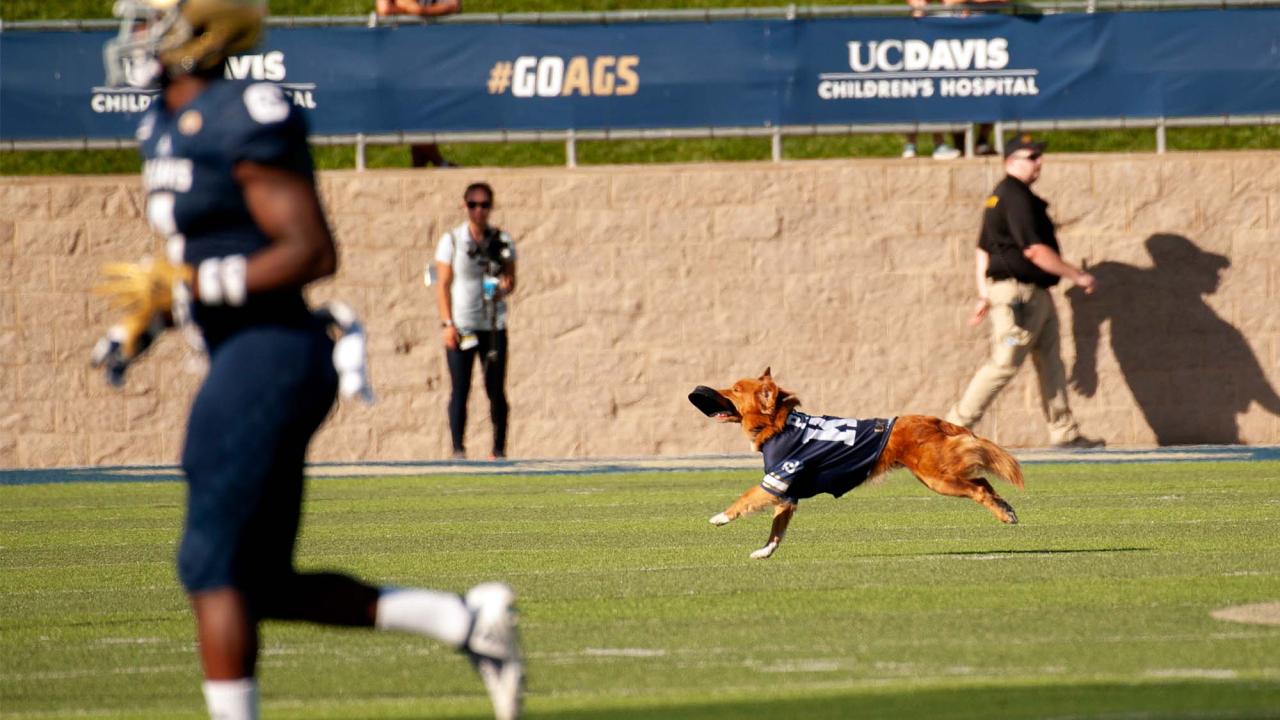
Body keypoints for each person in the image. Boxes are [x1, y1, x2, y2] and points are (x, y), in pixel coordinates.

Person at [94, 3, 522, 719]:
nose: (137, 33)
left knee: (208, 565)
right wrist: (152, 317)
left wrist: (196, 285)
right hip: (242, 351)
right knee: (257, 582)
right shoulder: (162, 124)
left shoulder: (242, 112)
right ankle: (466, 622)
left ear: (202, 29)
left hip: (272, 355)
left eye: (154, 16)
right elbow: (199, 260)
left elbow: (309, 250)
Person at [944, 134, 1105, 449]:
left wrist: (983, 293)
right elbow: (1033, 251)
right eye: (1031, 156)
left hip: (1033, 295)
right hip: (1018, 297)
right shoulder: (1013, 195)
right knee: (1004, 362)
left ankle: (1065, 432)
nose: (1039, 161)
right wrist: (1078, 276)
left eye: (1038, 156)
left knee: (1051, 364)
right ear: (1010, 162)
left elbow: (982, 249)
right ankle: (952, 430)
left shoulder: (1003, 196)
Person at [434, 182, 517, 460]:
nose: (479, 211)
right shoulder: (452, 240)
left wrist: (503, 285)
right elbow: (443, 284)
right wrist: (448, 324)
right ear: (465, 205)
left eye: (484, 205)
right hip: (462, 324)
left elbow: (510, 280)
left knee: (495, 388)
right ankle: (458, 449)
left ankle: (498, 450)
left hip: (493, 325)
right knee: (460, 388)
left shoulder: (502, 240)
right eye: (473, 204)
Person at [375, 0, 461, 168]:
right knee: (413, 109)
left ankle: (420, 166)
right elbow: (384, 9)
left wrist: (421, 11)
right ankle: (438, 162)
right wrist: (413, 10)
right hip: (400, 50)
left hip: (429, 51)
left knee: (422, 109)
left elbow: (454, 5)